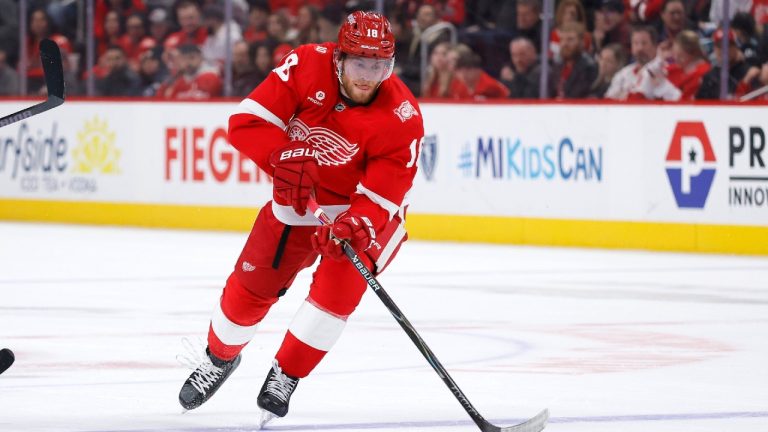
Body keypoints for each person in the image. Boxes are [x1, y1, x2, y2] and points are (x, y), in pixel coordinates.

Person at [177, 10, 424, 427]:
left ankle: (286, 374)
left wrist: (353, 225)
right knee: (251, 285)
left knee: (334, 299)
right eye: (359, 63)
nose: (368, 76)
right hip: (298, 196)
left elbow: (383, 196)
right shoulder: (307, 64)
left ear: (391, 65)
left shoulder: (403, 116)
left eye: (379, 65)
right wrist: (280, 157)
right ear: (339, 59)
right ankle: (219, 359)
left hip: (360, 212)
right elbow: (246, 122)